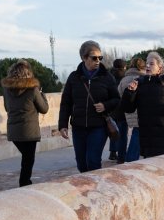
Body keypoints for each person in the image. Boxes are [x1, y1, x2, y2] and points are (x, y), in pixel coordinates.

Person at [58, 40, 120, 172]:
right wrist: (62, 124)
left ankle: (94, 190)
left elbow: (117, 99)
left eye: (100, 58)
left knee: (93, 161)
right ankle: (85, 189)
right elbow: (66, 102)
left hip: (99, 126)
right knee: (81, 163)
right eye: (94, 58)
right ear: (84, 58)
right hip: (78, 127)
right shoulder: (74, 77)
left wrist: (105, 105)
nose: (98, 61)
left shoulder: (107, 77)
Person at [119, 51, 164, 157]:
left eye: (151, 64)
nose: (147, 65)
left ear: (160, 69)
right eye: (147, 63)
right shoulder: (139, 84)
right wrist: (129, 92)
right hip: (147, 137)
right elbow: (128, 109)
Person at [1, 59, 49, 186]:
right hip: (29, 132)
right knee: (28, 159)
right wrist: (42, 94)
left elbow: (7, 108)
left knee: (26, 158)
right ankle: (24, 183)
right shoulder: (33, 90)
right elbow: (44, 109)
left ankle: (25, 182)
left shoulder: (7, 90)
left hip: (14, 131)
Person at [116, 56, 145, 162]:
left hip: (128, 112)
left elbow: (119, 94)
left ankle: (128, 158)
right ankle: (131, 159)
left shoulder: (124, 80)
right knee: (137, 134)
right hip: (140, 111)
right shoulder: (142, 79)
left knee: (134, 132)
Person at [107, 57, 128, 162]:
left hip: (111, 109)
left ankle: (112, 152)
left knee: (113, 131)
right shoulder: (125, 79)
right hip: (122, 110)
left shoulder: (109, 77)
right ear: (124, 67)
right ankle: (121, 157)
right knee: (122, 135)